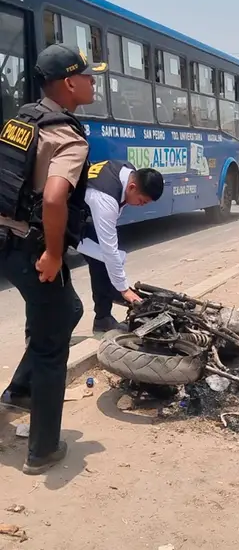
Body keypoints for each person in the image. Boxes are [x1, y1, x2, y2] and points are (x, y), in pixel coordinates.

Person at [0, 43, 105, 474]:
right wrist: (54, 253)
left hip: (5, 239)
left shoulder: (21, 120)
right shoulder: (67, 135)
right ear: (68, 82)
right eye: (88, 76)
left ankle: (19, 393)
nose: (93, 82)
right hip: (31, 247)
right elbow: (57, 197)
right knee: (50, 347)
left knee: (69, 310)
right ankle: (42, 450)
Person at [76, 161, 164, 333]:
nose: (141, 205)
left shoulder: (126, 170)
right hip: (56, 221)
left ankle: (104, 314)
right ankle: (105, 312)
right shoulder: (106, 199)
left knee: (102, 262)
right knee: (102, 259)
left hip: (80, 213)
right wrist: (124, 289)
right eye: (142, 201)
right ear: (132, 187)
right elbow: (108, 248)